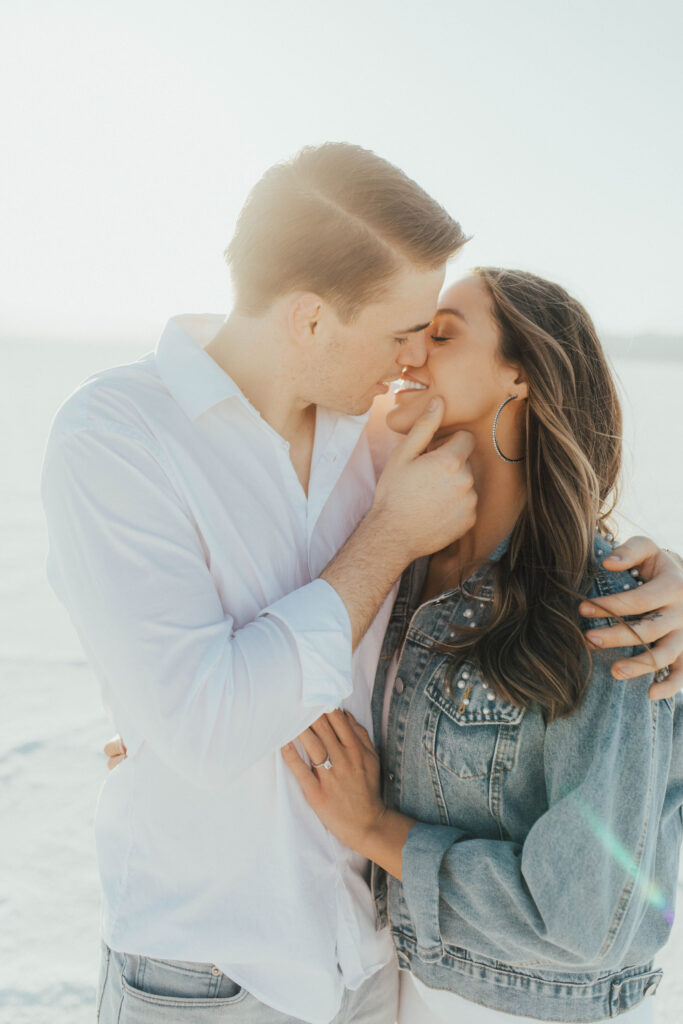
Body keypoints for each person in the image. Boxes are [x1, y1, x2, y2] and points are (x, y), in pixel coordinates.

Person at [44, 142, 682, 1024]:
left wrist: (666, 585)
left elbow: (544, 515)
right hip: (215, 974)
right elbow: (200, 724)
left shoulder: (380, 439)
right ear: (309, 320)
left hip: (375, 965)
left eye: (434, 331)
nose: (411, 356)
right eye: (402, 330)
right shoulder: (119, 437)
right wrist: (385, 538)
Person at [282, 268, 683, 1024]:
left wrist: (375, 830)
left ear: (520, 374)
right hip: (397, 992)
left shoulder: (604, 607)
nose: (409, 355)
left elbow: (581, 920)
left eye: (440, 334)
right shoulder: (395, 562)